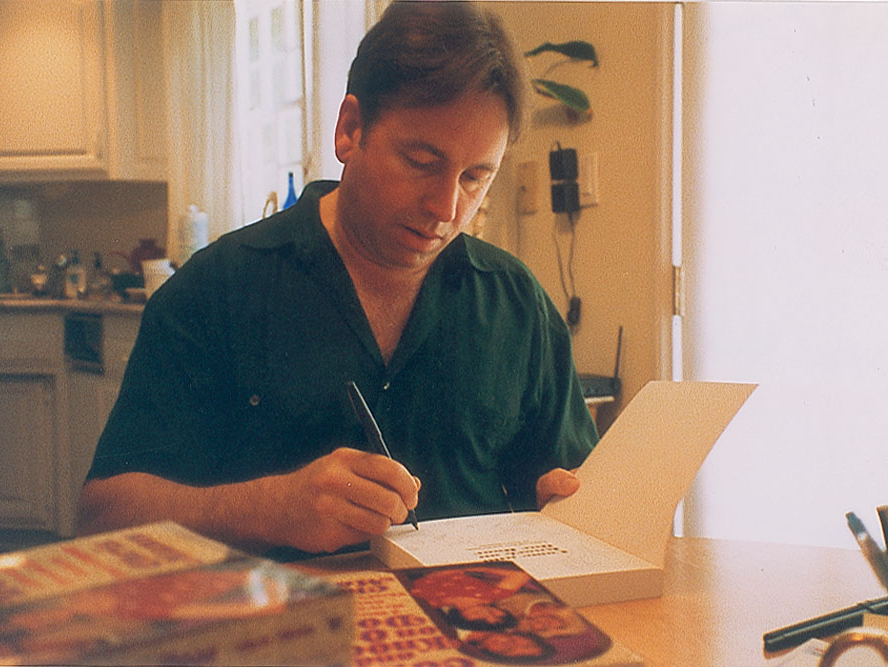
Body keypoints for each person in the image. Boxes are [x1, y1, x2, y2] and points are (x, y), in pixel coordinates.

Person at [75, 0, 597, 560]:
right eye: (421, 161)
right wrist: (267, 508)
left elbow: (565, 485)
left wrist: (566, 505)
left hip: (472, 613)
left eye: (475, 177)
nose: (446, 208)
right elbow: (103, 517)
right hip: (277, 613)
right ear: (350, 130)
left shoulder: (517, 304)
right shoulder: (214, 291)